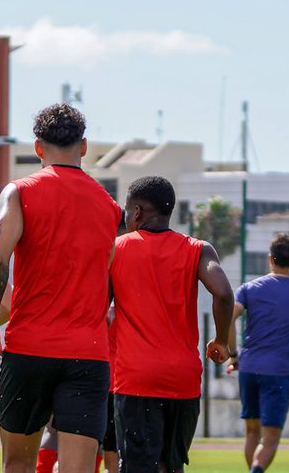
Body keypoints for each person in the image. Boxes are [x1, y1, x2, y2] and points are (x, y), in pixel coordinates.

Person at [0, 104, 123, 473]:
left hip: (29, 349)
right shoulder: (109, 207)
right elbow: (108, 278)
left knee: (18, 465)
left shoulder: (20, 192)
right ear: (84, 147)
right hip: (87, 355)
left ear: (38, 148)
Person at [109, 176, 234, 473]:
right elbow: (224, 293)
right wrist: (220, 340)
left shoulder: (116, 249)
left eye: (128, 212)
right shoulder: (198, 249)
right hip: (184, 379)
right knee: (171, 466)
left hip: (136, 378)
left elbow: (99, 307)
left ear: (137, 212)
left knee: (138, 467)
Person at [229, 234, 289, 473]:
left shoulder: (249, 288)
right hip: (277, 372)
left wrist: (232, 354)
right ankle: (257, 470)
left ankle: (254, 470)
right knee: (270, 438)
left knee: (251, 432)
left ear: (270, 259)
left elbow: (229, 317)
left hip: (248, 368)